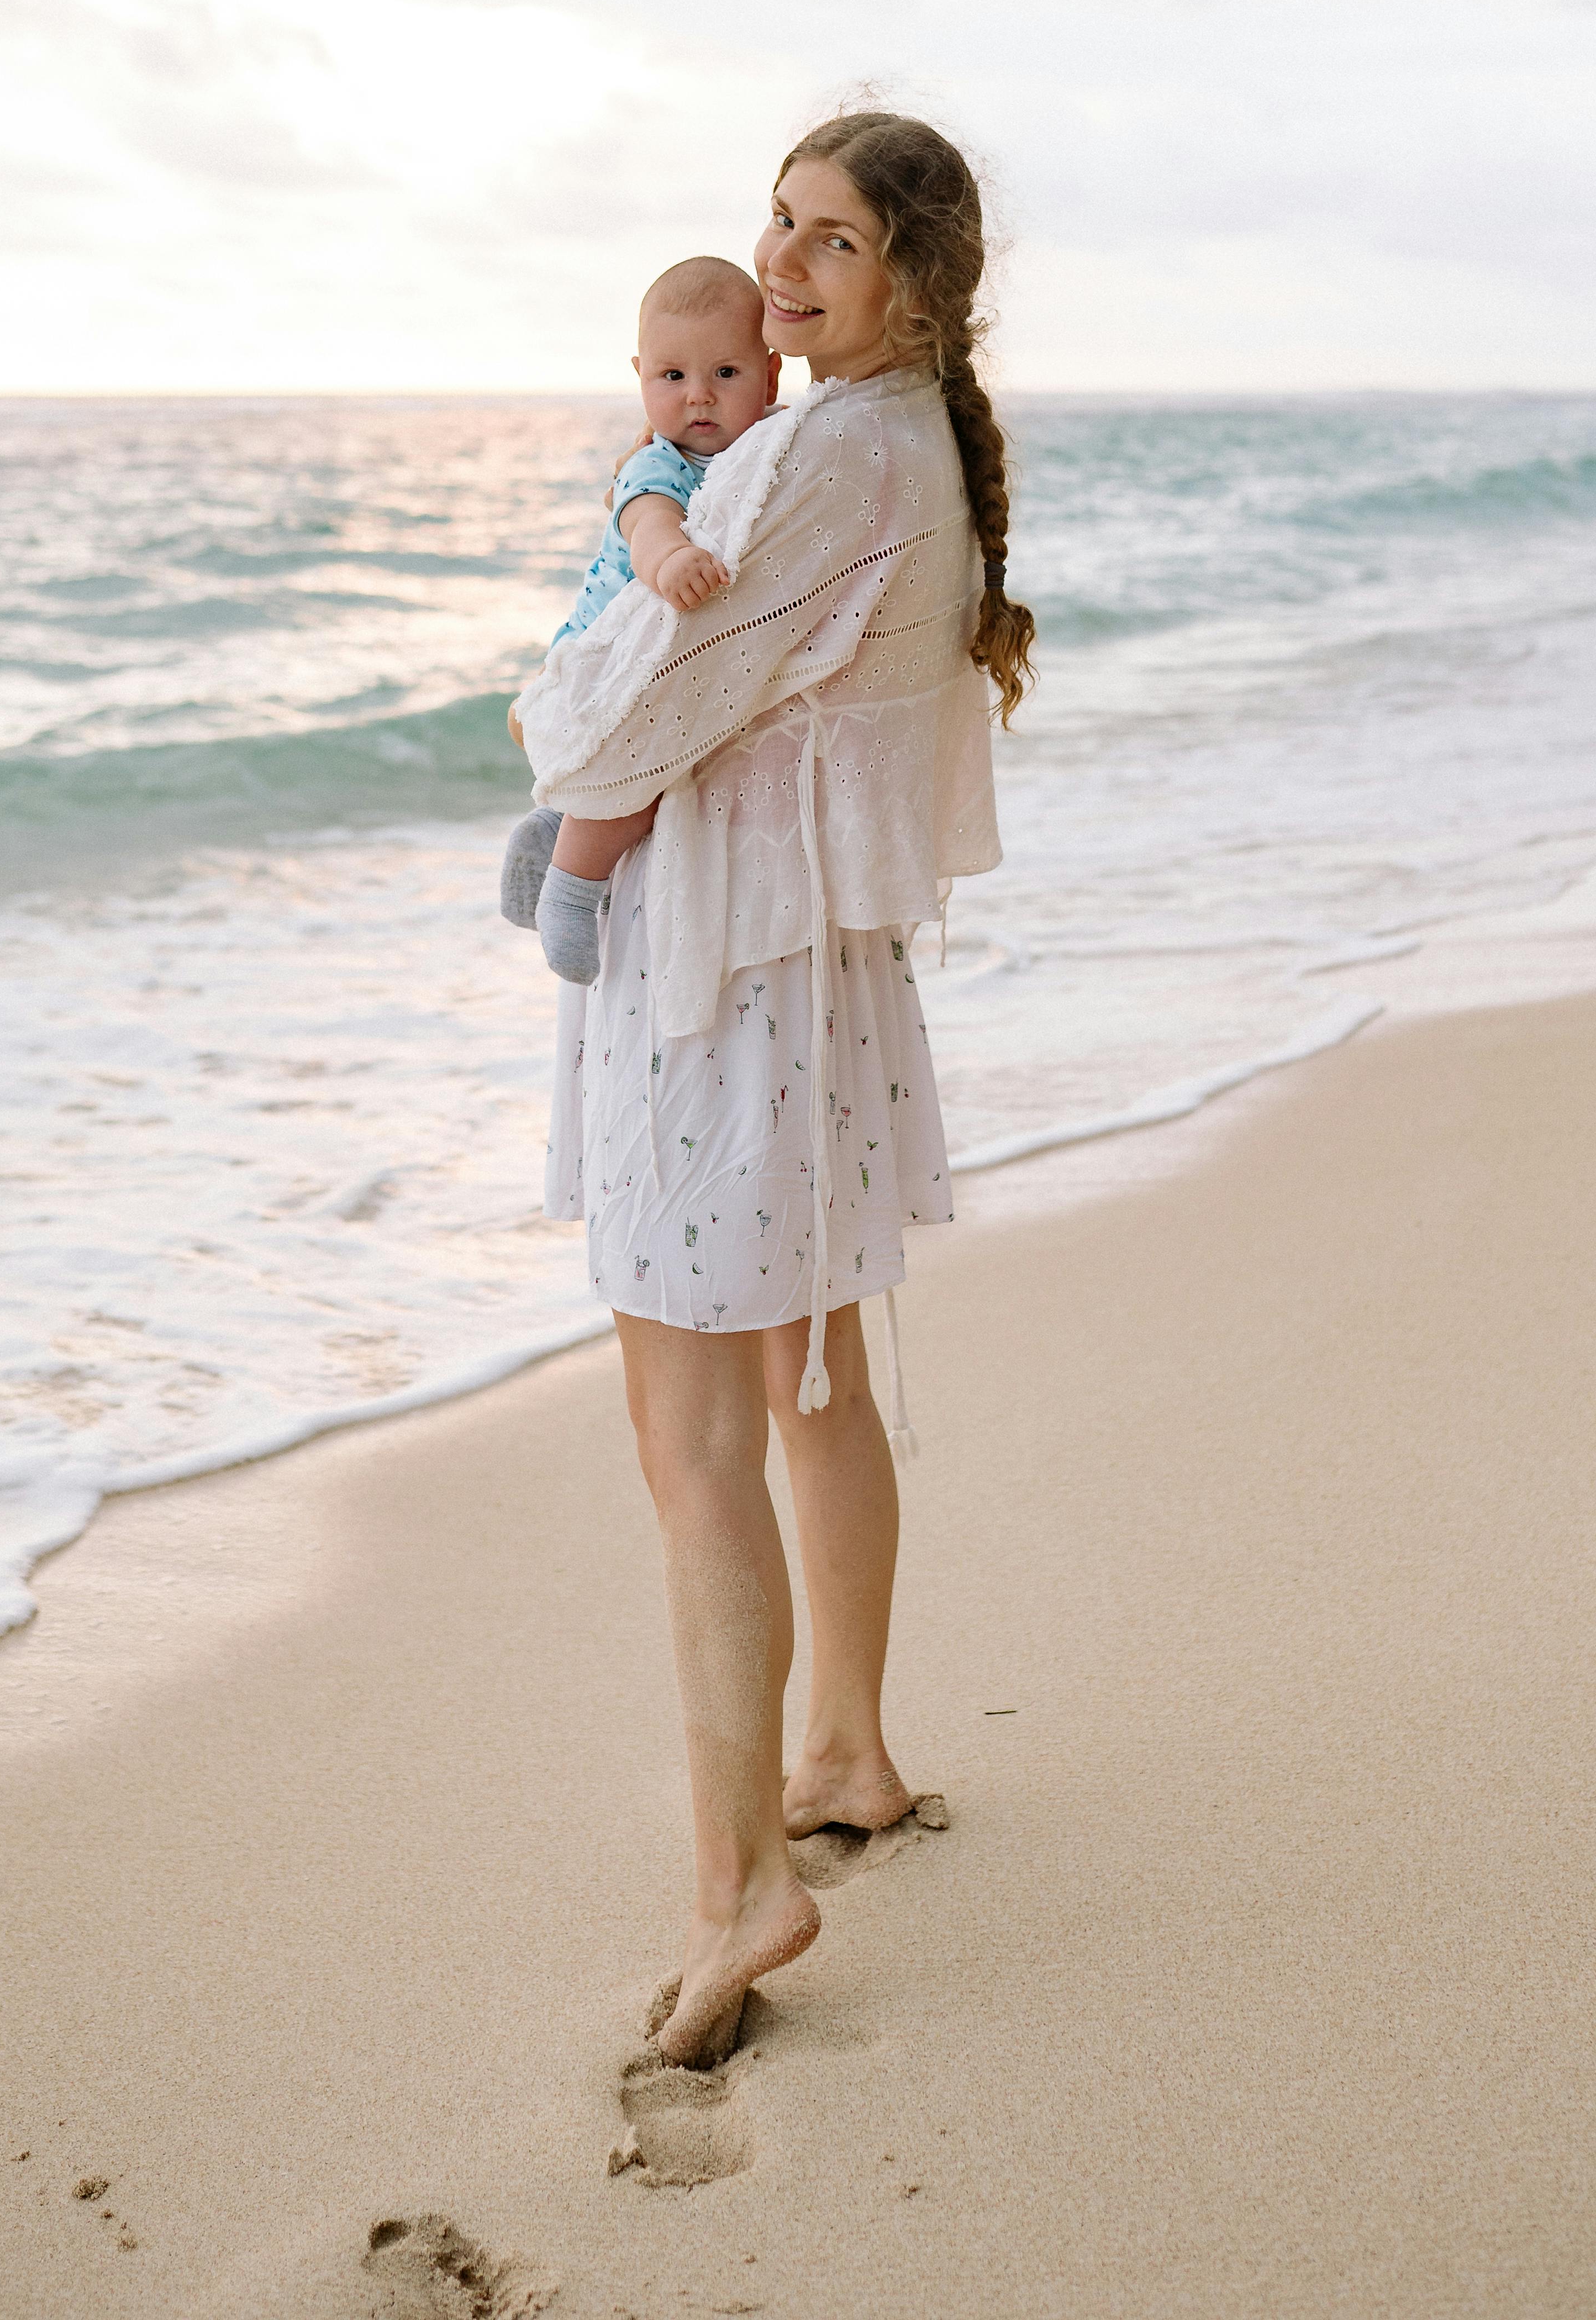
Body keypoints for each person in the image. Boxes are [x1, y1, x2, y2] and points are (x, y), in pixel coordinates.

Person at [511, 103, 1036, 2069]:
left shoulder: (822, 453)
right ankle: (844, 1753)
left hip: (719, 988)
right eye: (777, 224)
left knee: (693, 1436)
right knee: (812, 1381)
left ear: (913, 278)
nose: (784, 265)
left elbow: (607, 723)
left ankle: (741, 1880)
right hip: (802, 973)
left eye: (831, 239)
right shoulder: (903, 442)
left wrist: (546, 693)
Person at [499, 257, 779, 956]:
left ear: (771, 377)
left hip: (642, 656)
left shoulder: (766, 446)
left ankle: (553, 830)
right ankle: (571, 890)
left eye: (726, 373)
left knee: (652, 767)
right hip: (600, 651)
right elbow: (649, 524)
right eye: (672, 376)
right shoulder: (657, 464)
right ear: (641, 378)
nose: (699, 397)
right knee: (641, 768)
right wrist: (671, 560)